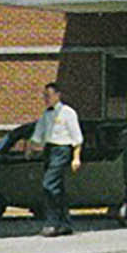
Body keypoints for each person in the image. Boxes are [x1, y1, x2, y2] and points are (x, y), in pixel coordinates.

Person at [25, 82, 82, 237]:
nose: (46, 99)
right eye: (44, 96)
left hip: (62, 150)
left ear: (58, 95)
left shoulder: (68, 113)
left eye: (48, 96)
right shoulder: (46, 114)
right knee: (58, 189)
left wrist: (76, 158)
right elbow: (38, 134)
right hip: (49, 150)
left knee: (48, 184)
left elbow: (77, 138)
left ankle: (52, 222)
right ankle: (65, 223)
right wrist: (30, 148)